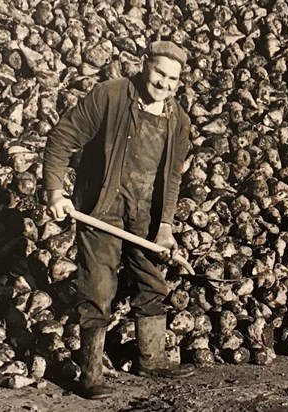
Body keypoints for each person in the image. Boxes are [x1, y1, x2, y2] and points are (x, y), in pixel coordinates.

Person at [43, 40, 195, 400]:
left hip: (146, 213)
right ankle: (91, 374)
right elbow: (62, 138)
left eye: (173, 78)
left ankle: (152, 359)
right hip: (102, 208)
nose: (164, 83)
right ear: (144, 65)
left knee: (151, 281)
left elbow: (172, 177)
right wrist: (55, 192)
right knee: (98, 287)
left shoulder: (179, 121)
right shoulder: (109, 96)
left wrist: (166, 226)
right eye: (160, 72)